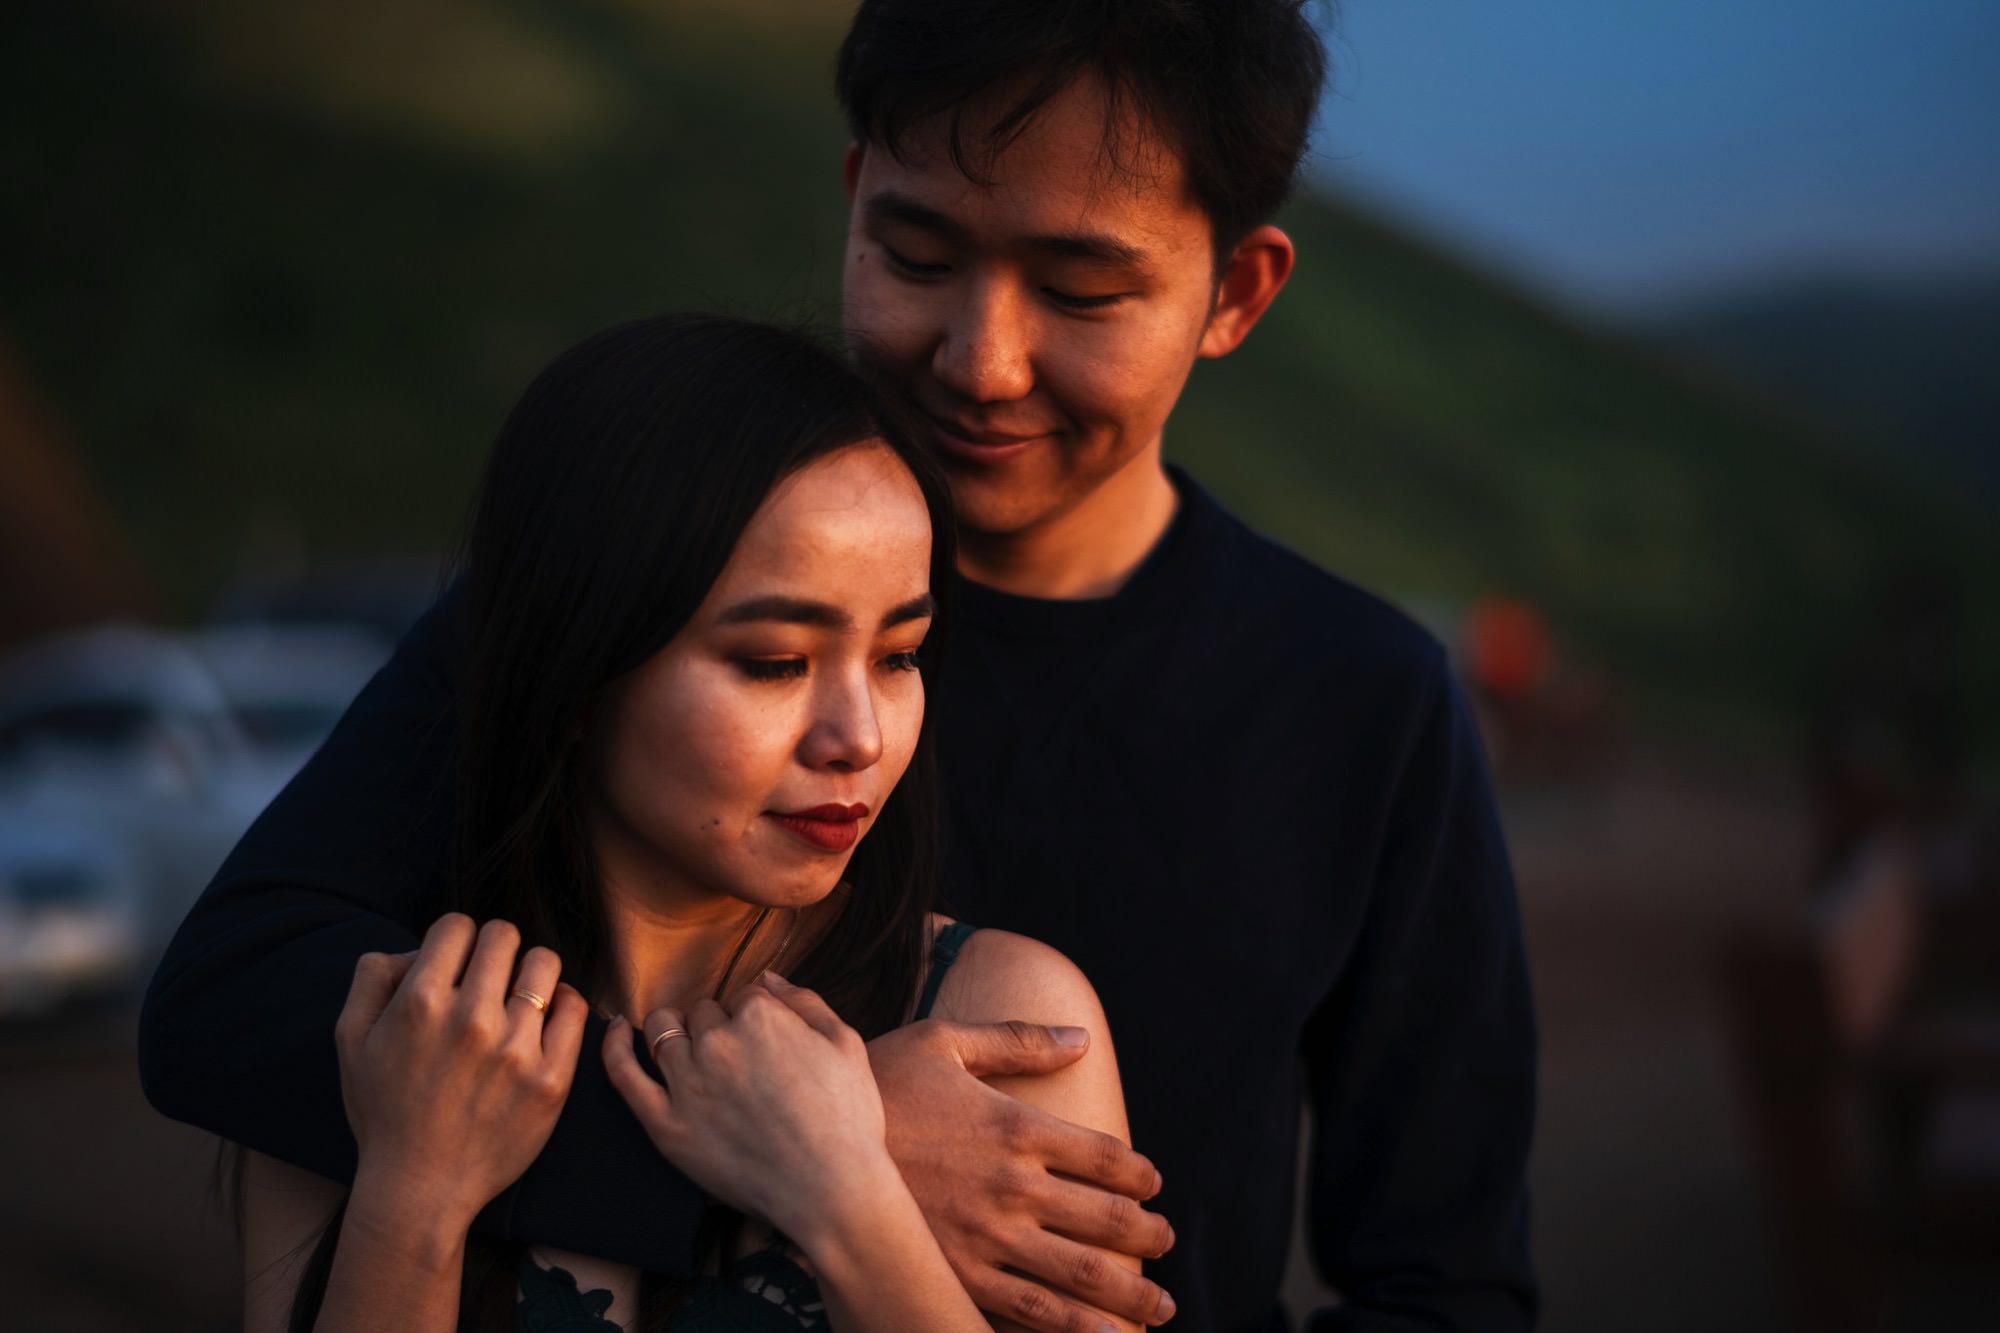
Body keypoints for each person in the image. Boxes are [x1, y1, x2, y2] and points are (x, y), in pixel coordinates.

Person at [145, 3, 1538, 1329]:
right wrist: (786, 1163)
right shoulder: (643, 582)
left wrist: (825, 1167)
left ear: (1235, 290)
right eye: (919, 256)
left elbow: (1444, 1281)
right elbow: (229, 1001)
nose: (981, 360)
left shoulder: (1364, 702)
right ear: (855, 192)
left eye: (1079, 287)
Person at [234, 313, 1141, 1331]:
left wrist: (848, 1202)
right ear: (578, 673)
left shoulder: (992, 1027)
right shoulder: (408, 1038)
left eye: (898, 657)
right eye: (773, 662)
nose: (858, 737)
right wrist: (415, 1196)